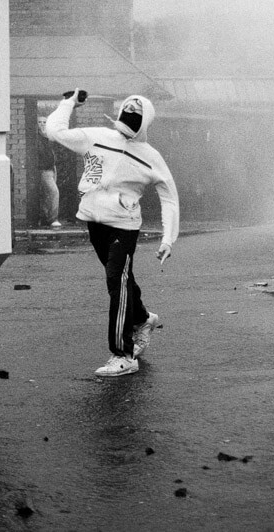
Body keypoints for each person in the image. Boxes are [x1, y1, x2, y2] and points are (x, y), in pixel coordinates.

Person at [45, 90, 179, 377]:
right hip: (94, 222)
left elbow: (169, 197)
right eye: (127, 112)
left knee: (115, 283)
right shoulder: (97, 137)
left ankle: (123, 353)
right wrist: (68, 102)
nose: (129, 118)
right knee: (122, 277)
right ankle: (143, 318)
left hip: (124, 226)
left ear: (145, 122)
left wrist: (169, 238)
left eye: (135, 115)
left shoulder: (151, 157)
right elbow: (54, 130)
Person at [37, 115, 61, 228]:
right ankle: (53, 219)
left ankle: (45, 219)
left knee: (48, 195)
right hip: (44, 170)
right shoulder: (38, 138)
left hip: (52, 169)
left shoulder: (48, 137)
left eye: (44, 122)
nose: (42, 124)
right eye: (40, 122)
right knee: (54, 192)